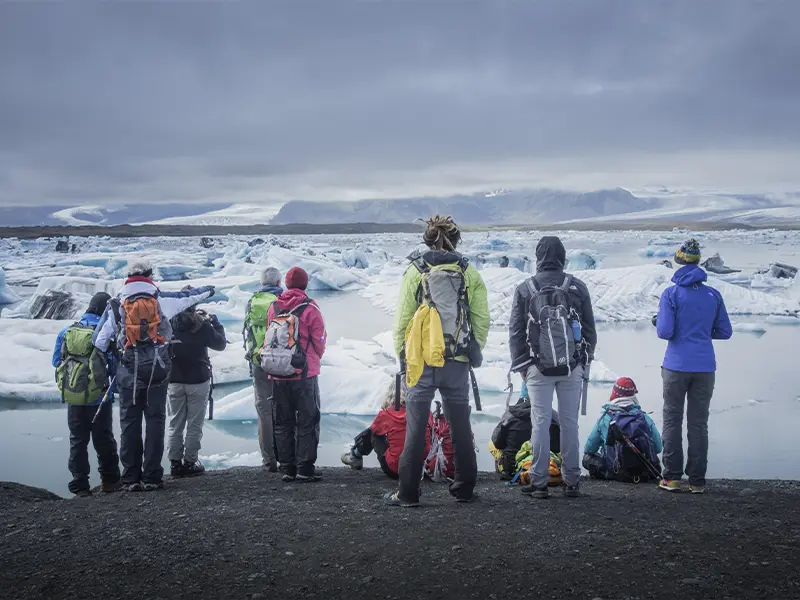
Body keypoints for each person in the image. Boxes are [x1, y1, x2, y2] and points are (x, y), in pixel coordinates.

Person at [385, 214, 490, 507]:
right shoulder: (469, 272)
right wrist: (474, 349)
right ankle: (464, 488)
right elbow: (481, 317)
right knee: (460, 427)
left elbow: (403, 319)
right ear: (456, 240)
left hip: (421, 362)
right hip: (456, 360)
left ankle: (407, 494)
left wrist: (403, 358)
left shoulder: (415, 270)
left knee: (416, 429)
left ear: (427, 239)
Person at [94, 262, 215, 492]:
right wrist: (210, 289)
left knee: (129, 423)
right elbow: (188, 297)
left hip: (129, 374)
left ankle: (131, 478)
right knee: (156, 421)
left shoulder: (115, 304)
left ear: (128, 278)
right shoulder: (160, 299)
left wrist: (118, 351)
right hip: (158, 373)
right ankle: (152, 476)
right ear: (149, 276)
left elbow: (99, 341)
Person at [509, 236, 597, 499]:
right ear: (563, 256)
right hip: (571, 367)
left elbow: (515, 333)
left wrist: (523, 366)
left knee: (540, 423)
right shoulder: (577, 287)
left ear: (538, 257)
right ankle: (571, 481)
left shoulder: (526, 288)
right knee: (569, 423)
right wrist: (583, 360)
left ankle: (539, 482)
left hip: (537, 367)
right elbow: (590, 330)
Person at [655, 239, 732, 494]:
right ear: (698, 262)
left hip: (676, 365)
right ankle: (697, 481)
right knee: (699, 423)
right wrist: (701, 331)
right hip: (705, 367)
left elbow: (665, 331)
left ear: (678, 261)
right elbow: (724, 331)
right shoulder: (713, 295)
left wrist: (659, 322)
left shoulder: (671, 294)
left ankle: (672, 477)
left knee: (672, 419)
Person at [53, 292, 120, 497]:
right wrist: (114, 390)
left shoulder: (67, 331)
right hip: (99, 397)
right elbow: (113, 366)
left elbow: (57, 361)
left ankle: (80, 484)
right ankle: (109, 481)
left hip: (73, 395)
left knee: (77, 440)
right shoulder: (103, 332)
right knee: (103, 438)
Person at [266, 267, 327, 483]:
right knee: (308, 420)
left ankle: (287, 468)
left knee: (282, 422)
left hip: (278, 373)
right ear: (305, 284)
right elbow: (319, 339)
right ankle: (304, 468)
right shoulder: (310, 307)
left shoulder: (274, 307)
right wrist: (315, 357)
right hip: (304, 374)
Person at [167, 296, 227, 478]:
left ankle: (175, 463)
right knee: (194, 423)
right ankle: (190, 462)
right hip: (198, 379)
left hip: (174, 380)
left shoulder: (169, 324)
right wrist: (216, 324)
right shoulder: (201, 325)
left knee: (175, 423)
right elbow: (220, 345)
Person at [583, 377, 663, 482]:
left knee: (586, 458)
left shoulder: (605, 418)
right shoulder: (644, 418)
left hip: (615, 471)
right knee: (655, 460)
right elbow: (658, 448)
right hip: (643, 471)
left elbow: (589, 449)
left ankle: (613, 472)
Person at [243, 267, 284, 472]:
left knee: (264, 412)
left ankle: (268, 460)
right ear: (278, 283)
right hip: (281, 363)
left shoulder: (251, 302)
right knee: (284, 409)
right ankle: (285, 456)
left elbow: (249, 332)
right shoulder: (283, 300)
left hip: (258, 362)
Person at [341, 379, 421, 480]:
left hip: (395, 470)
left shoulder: (386, 415)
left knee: (373, 433)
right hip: (418, 469)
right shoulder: (424, 412)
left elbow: (373, 430)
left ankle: (355, 455)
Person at [490, 381, 560, 479]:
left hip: (513, 465)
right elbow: (558, 446)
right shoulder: (552, 414)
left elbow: (498, 443)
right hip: (547, 463)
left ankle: (504, 469)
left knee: (491, 444)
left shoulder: (510, 414)